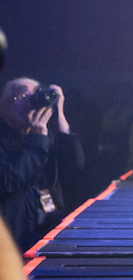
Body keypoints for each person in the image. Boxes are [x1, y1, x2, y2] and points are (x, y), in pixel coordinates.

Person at [0, 79, 85, 252]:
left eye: (34, 97)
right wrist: (37, 141)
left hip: (45, 227)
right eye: (22, 97)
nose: (29, 104)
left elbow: (75, 164)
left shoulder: (42, 134)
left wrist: (60, 114)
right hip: (12, 237)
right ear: (5, 104)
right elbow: (7, 181)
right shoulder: (31, 138)